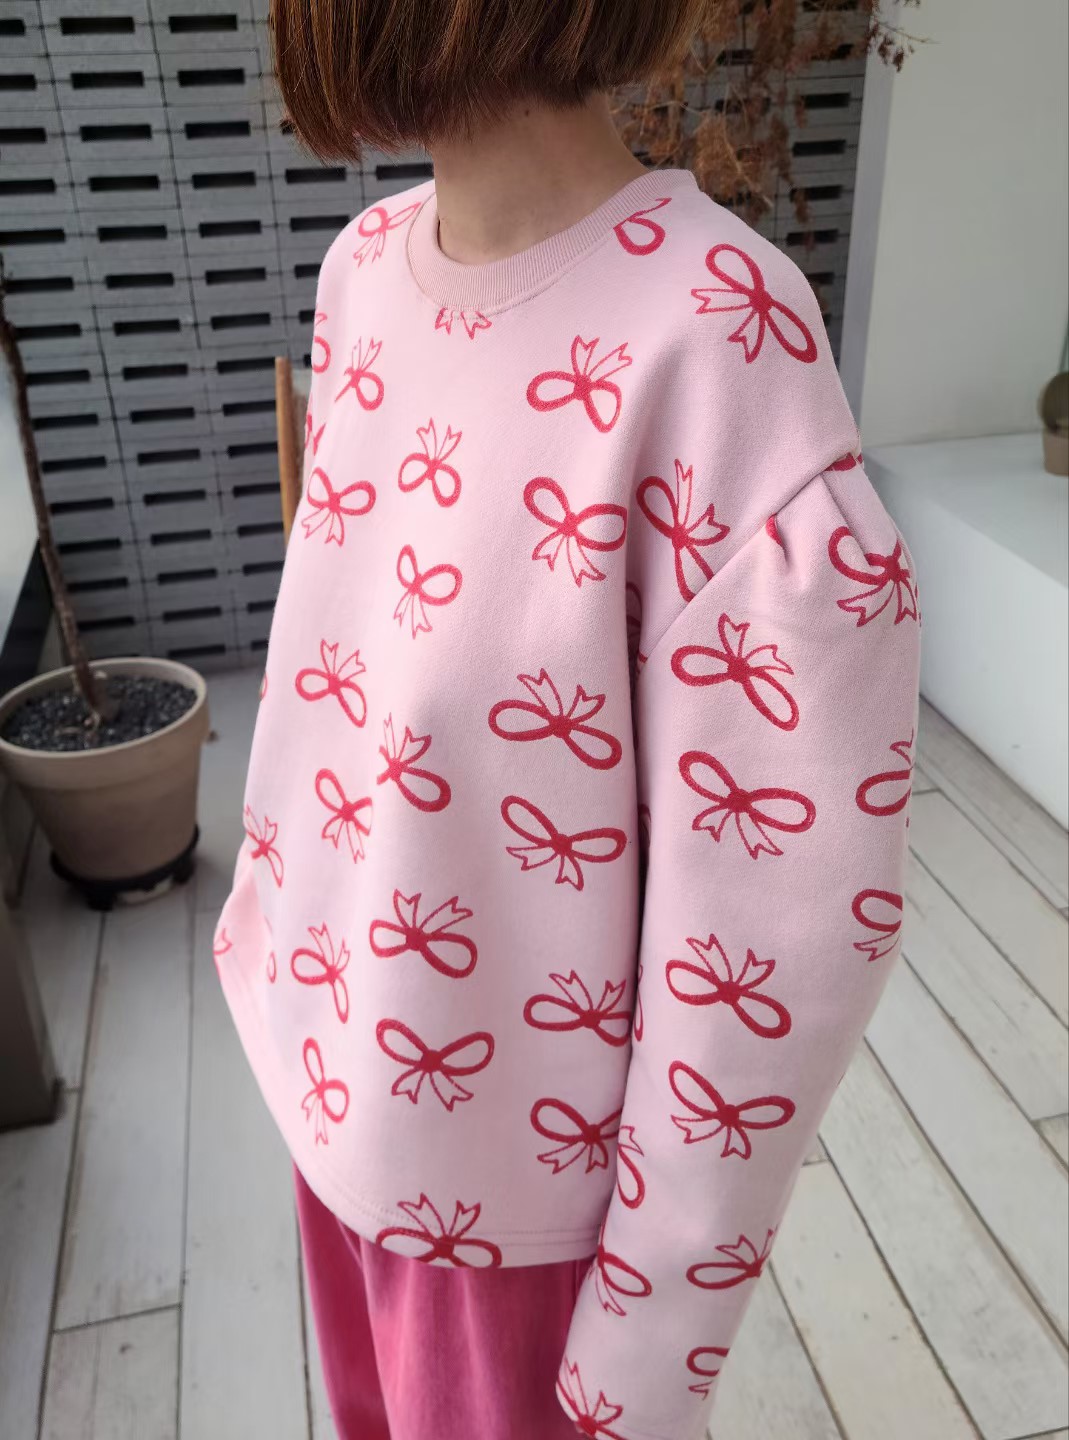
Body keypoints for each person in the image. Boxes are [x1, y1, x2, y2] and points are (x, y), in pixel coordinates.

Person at [212, 3, 923, 1437]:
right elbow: (352, 693)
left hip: (518, 1218)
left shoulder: (715, 338)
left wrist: (649, 1328)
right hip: (339, 1098)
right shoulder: (365, 271)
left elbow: (783, 915)